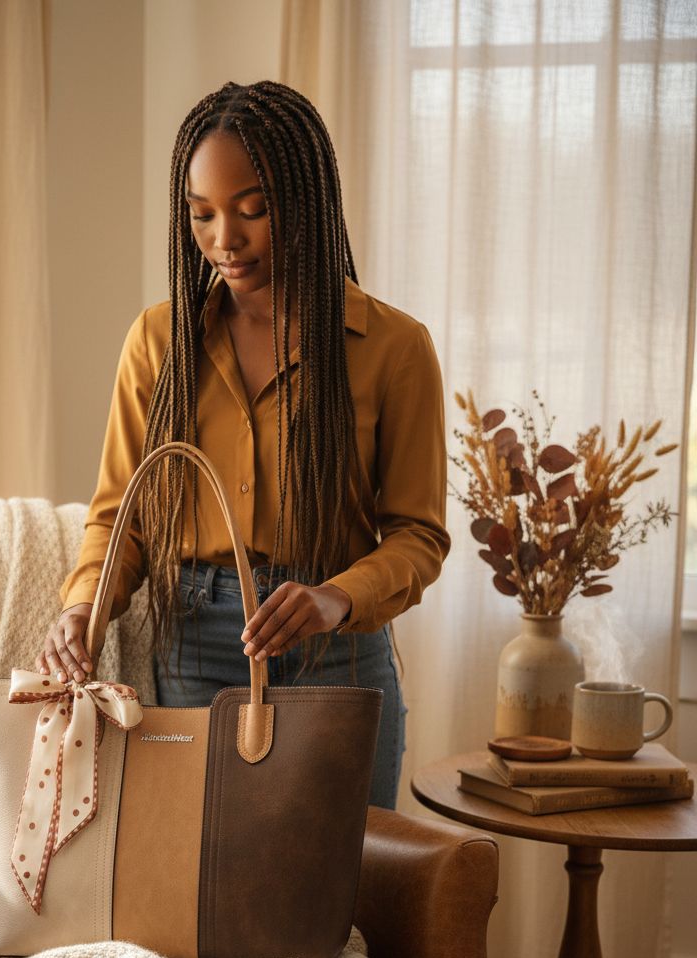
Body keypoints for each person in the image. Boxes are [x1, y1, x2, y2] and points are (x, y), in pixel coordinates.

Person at [37, 80, 450, 809]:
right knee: (205, 885)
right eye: (201, 215)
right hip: (197, 641)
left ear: (308, 201)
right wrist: (84, 608)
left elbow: (419, 535)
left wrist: (334, 598)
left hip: (339, 648)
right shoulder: (159, 342)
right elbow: (120, 519)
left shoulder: (395, 348)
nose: (224, 238)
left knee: (345, 888)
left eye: (252, 210)